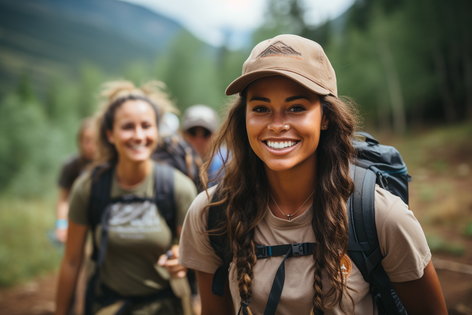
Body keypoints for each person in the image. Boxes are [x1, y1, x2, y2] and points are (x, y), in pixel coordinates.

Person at [178, 34, 448, 315]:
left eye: (296, 108)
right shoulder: (211, 215)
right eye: (261, 108)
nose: (277, 124)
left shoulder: (381, 217)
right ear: (243, 117)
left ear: (326, 117)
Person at [55, 80, 197, 315]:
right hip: (107, 306)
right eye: (128, 127)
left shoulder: (177, 187)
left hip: (165, 307)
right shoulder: (89, 188)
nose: (139, 135)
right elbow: (71, 261)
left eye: (146, 126)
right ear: (110, 134)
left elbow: (195, 259)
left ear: (157, 131)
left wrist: (182, 261)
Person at [56, 117, 96, 243]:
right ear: (80, 141)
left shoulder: (109, 165)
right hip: (76, 221)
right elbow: (63, 200)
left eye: (95, 141)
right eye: (87, 140)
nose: (91, 146)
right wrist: (62, 225)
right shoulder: (71, 166)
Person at [181, 105, 226, 188]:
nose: (199, 140)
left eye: (206, 133)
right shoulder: (175, 162)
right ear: (183, 134)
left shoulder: (227, 164)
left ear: (215, 135)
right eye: (192, 132)